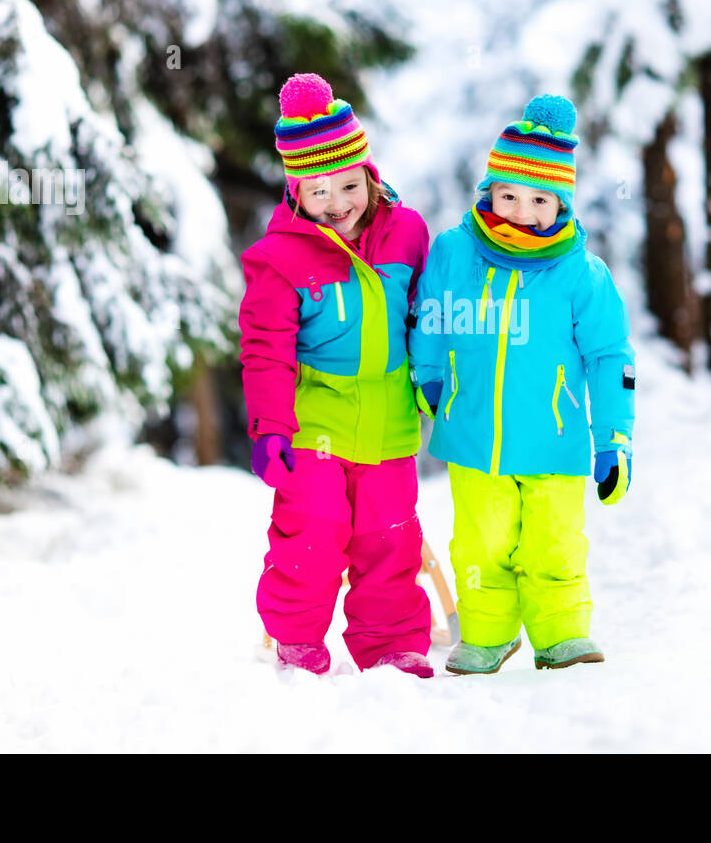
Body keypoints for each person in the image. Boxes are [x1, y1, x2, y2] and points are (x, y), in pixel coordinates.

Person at [409, 94, 635, 674]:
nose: (520, 211)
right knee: (480, 543)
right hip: (472, 439)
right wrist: (430, 378)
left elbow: (611, 357)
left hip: (554, 440)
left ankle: (561, 634)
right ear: (488, 191)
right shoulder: (456, 253)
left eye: (539, 199)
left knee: (552, 541)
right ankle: (486, 635)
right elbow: (429, 318)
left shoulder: (581, 273)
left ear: (560, 202)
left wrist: (613, 440)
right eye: (508, 194)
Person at [239, 73, 434, 678]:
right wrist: (270, 428)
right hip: (312, 426)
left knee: (390, 538)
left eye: (349, 184)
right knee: (312, 534)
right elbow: (266, 350)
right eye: (319, 190)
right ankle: (296, 640)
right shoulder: (282, 259)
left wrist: (432, 378)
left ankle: (393, 644)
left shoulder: (406, 234)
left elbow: (425, 315)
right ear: (296, 192)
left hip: (389, 426)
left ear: (370, 176)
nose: (338, 202)